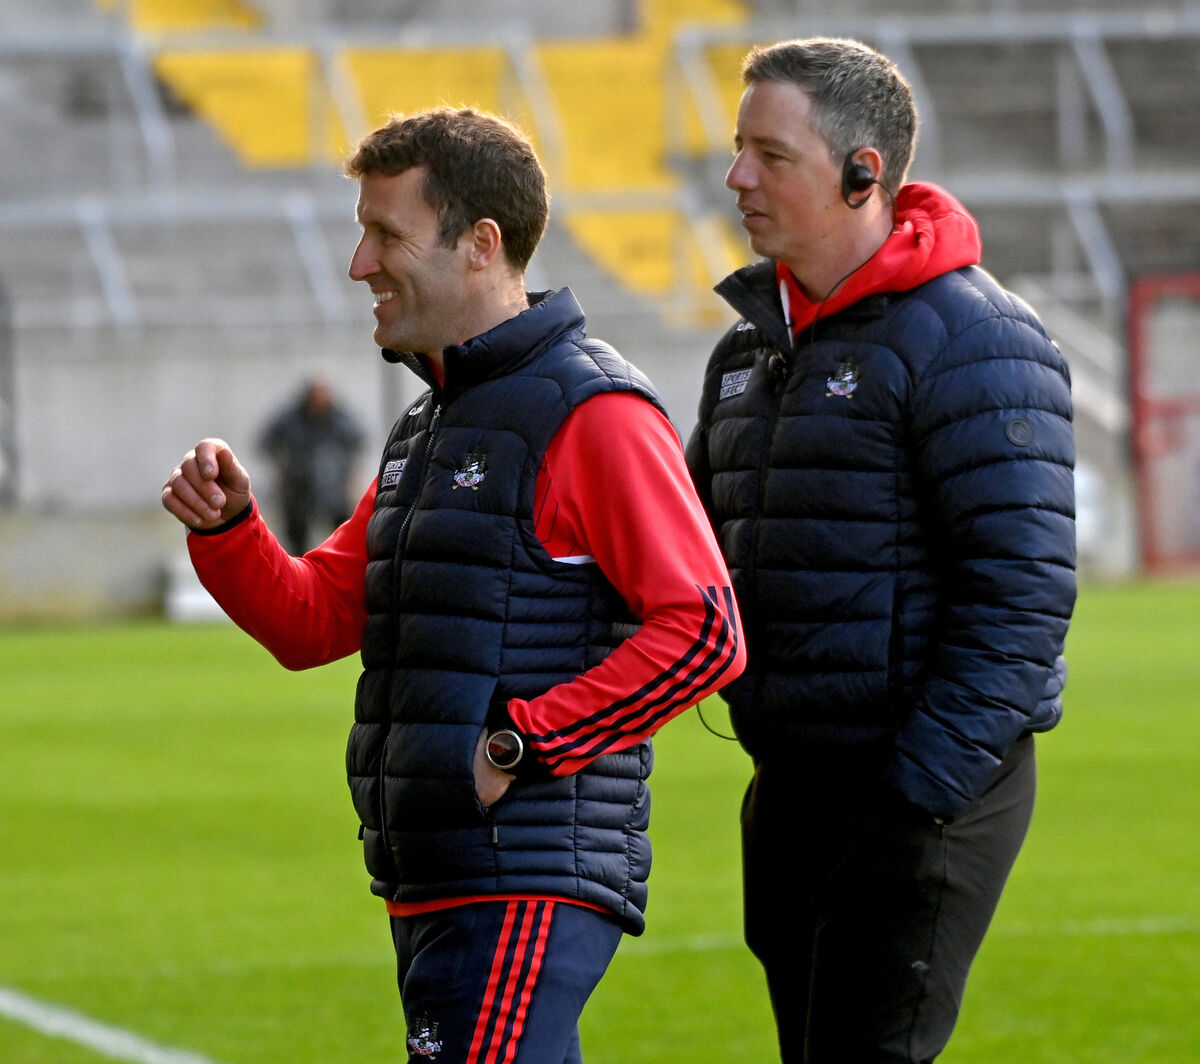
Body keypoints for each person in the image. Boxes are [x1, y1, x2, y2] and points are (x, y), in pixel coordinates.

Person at [161, 106, 744, 1064]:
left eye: (385, 234)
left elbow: (705, 633)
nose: (360, 264)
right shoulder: (427, 428)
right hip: (435, 873)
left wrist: (518, 748)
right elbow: (314, 620)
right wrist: (231, 534)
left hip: (521, 879)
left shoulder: (593, 413)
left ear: (481, 245)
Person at [685, 38, 1076, 1063]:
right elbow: (685, 544)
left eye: (769, 154)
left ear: (864, 173)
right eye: (738, 149)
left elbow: (1021, 600)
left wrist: (912, 797)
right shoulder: (746, 350)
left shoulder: (977, 339)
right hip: (791, 785)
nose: (736, 177)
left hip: (919, 791)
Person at [258, 377, 364, 554]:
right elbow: (267, 443)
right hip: (298, 488)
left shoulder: (340, 420)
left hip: (333, 489)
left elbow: (355, 447)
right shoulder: (290, 419)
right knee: (297, 540)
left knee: (343, 538)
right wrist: (280, 471)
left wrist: (351, 482)